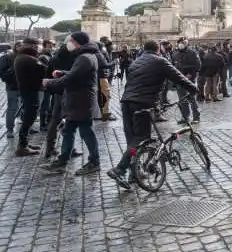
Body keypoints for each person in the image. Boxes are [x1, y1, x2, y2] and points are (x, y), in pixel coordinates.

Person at [106, 40, 198, 190]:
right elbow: (178, 77)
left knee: (133, 141)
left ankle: (133, 173)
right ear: (158, 49)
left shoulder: (136, 61)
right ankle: (120, 169)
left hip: (126, 102)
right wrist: (194, 88)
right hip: (141, 103)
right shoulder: (160, 61)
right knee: (141, 138)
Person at [40, 32, 102, 174]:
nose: (69, 43)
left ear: (77, 42)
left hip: (81, 102)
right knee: (68, 130)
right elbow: (76, 74)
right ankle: (63, 160)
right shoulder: (85, 56)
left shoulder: (84, 58)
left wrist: (49, 82)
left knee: (86, 131)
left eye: (72, 40)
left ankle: (94, 161)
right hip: (78, 101)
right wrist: (62, 72)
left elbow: (72, 78)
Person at [14, 38, 46, 156]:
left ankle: (24, 143)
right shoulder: (29, 59)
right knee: (29, 117)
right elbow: (43, 71)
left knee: (29, 117)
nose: (40, 47)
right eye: (39, 45)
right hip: (30, 91)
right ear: (33, 46)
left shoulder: (23, 56)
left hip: (27, 90)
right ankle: (22, 146)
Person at [172, 37, 201, 124]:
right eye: (180, 43)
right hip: (179, 80)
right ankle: (185, 117)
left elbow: (198, 65)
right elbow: (173, 67)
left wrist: (191, 74)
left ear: (186, 44)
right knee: (182, 100)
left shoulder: (192, 53)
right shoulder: (175, 54)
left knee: (192, 99)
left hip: (189, 79)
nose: (181, 44)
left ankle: (196, 117)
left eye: (183, 43)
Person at [0, 41, 21, 139]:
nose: (20, 47)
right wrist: (8, 79)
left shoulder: (27, 55)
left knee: (25, 107)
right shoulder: (8, 56)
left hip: (25, 86)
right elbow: (2, 71)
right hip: (12, 86)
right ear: (15, 46)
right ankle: (10, 129)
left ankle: (25, 125)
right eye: (18, 45)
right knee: (12, 107)